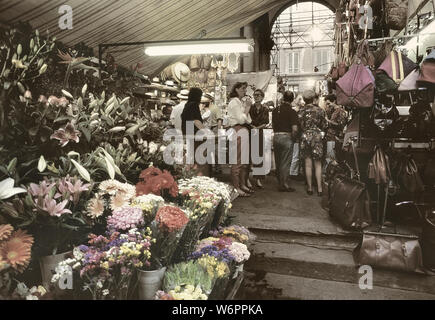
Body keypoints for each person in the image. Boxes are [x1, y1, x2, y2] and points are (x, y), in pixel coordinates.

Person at [299, 90, 328, 196]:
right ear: (313, 98)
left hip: (305, 137)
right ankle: (320, 189)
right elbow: (325, 126)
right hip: (317, 138)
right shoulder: (320, 111)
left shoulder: (301, 111)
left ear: (304, 99)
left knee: (307, 164)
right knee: (318, 164)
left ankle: (310, 188)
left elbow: (299, 126)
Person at [227, 82, 253, 197]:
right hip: (238, 129)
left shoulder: (239, 102)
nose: (245, 91)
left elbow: (248, 120)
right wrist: (247, 107)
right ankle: (236, 187)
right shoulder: (234, 102)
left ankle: (241, 184)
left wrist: (246, 109)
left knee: (243, 161)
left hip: (242, 130)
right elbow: (243, 120)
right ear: (236, 89)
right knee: (237, 160)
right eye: (243, 88)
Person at [272, 91, 299, 192]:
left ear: (283, 98)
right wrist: (293, 138)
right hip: (286, 137)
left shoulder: (275, 110)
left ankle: (280, 182)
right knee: (285, 162)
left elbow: (273, 125)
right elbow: (295, 129)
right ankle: (284, 184)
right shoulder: (292, 112)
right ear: (292, 100)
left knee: (278, 161)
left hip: (276, 136)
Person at [181, 87, 208, 176]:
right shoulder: (194, 105)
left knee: (190, 157)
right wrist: (206, 132)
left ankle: (189, 175)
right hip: (194, 135)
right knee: (197, 158)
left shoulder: (187, 104)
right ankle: (196, 177)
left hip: (188, 133)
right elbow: (196, 120)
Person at [249, 88, 270, 188]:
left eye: (258, 95)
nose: (256, 97)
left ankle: (258, 179)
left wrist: (256, 128)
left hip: (259, 132)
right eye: (255, 95)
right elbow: (246, 119)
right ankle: (246, 179)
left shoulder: (265, 109)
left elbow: (265, 122)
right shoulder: (250, 108)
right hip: (250, 133)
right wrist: (252, 127)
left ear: (262, 97)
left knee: (259, 156)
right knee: (248, 156)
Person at [324, 94, 348, 166]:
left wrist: (327, 121)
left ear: (334, 101)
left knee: (333, 157)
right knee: (330, 157)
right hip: (330, 136)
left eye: (329, 103)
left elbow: (340, 125)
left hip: (336, 137)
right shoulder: (332, 111)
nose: (328, 105)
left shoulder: (341, 111)